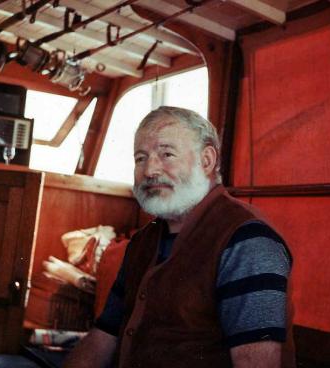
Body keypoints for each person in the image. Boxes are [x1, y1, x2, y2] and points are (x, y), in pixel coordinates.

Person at [63, 106, 294, 368]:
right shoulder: (144, 241)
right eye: (140, 158)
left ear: (206, 160)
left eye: (166, 154)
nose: (149, 170)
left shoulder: (247, 240)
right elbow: (105, 334)